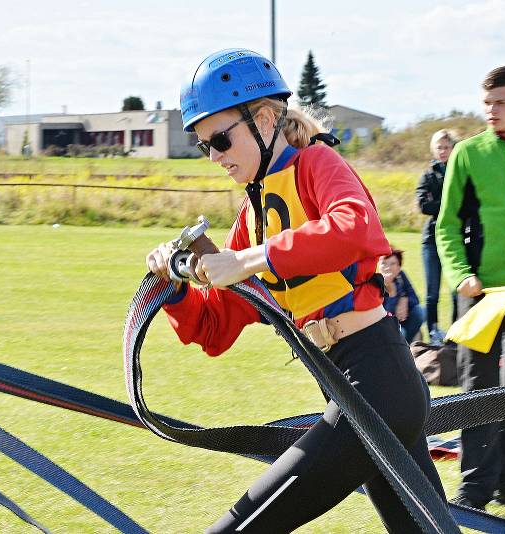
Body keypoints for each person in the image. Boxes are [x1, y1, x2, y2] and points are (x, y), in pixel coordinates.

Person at [146, 48, 445, 533]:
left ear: (264, 119)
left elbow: (355, 227)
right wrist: (172, 287)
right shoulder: (253, 217)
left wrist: (246, 259)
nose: (215, 157)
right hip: (351, 386)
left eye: (220, 139)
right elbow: (216, 329)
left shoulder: (316, 163)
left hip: (377, 381)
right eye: (205, 147)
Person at [435, 65, 505, 511]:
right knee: (477, 392)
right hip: (480, 293)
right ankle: (473, 490)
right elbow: (446, 224)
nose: (491, 110)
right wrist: (461, 274)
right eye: (486, 103)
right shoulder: (467, 153)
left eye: (500, 102)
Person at [416, 129, 458, 344]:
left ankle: (456, 334)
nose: (442, 151)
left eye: (446, 147)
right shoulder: (428, 175)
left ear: (453, 148)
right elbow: (423, 205)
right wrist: (447, 206)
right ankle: (433, 333)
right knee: (432, 293)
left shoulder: (460, 172)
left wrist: (438, 204)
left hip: (455, 238)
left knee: (456, 292)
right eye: (439, 147)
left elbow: (465, 204)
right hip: (431, 239)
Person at [379, 249, 425, 342]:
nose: (387, 267)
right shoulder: (375, 282)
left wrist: (404, 299)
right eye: (384, 263)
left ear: (399, 267)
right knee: (401, 332)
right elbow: (385, 316)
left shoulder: (401, 277)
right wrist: (392, 292)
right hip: (384, 326)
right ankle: (402, 346)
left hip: (402, 321)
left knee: (419, 311)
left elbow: (415, 299)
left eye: (392, 264)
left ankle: (405, 344)